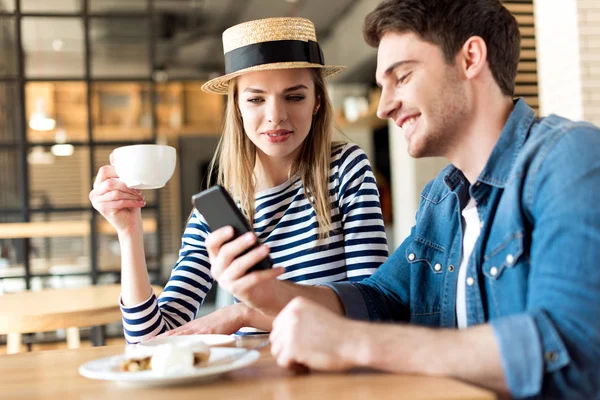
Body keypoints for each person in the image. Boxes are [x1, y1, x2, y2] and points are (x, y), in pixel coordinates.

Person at [204, 1, 600, 398]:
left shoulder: (569, 158)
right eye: (382, 85)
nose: (384, 106)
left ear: (471, 58)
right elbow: (380, 298)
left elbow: (569, 350)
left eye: (403, 77)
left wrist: (353, 341)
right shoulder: (443, 202)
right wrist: (270, 296)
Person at [89, 17, 388, 342]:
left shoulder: (346, 169)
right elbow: (150, 338)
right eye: (256, 99)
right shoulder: (215, 212)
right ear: (237, 106)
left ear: (317, 101)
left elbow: (372, 308)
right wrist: (128, 231)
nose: (276, 115)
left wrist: (246, 314)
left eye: (295, 96)